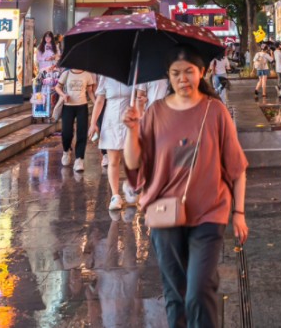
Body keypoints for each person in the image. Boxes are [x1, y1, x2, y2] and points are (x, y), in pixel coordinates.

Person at [123, 45, 248, 328]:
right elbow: (133, 163)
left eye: (189, 71)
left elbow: (237, 167)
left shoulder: (215, 111)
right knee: (175, 294)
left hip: (209, 212)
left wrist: (239, 213)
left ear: (201, 72)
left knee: (198, 292)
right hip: (164, 212)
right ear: (168, 76)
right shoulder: (155, 112)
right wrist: (131, 130)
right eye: (175, 73)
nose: (183, 79)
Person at [90, 75, 137, 210]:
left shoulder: (134, 76)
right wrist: (93, 123)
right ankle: (115, 195)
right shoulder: (106, 77)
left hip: (130, 121)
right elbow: (100, 100)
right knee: (113, 160)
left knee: (131, 159)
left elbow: (140, 98)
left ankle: (131, 187)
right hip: (111, 121)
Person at [57, 67, 95, 172]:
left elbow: (90, 91)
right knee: (66, 132)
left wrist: (96, 103)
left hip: (82, 106)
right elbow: (57, 87)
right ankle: (66, 150)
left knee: (82, 132)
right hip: (68, 106)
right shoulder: (66, 74)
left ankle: (79, 159)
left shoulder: (87, 74)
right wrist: (63, 95)